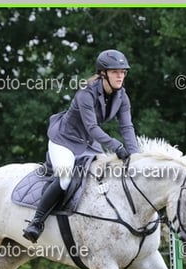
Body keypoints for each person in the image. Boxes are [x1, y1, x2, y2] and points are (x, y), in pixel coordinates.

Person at [23, 49, 140, 243]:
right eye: (115, 72)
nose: (120, 76)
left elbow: (127, 127)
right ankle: (36, 222)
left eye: (123, 72)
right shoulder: (86, 94)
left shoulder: (122, 96)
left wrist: (136, 156)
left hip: (89, 143)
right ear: (103, 73)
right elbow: (92, 127)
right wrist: (116, 146)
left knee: (104, 176)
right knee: (66, 178)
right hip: (64, 141)